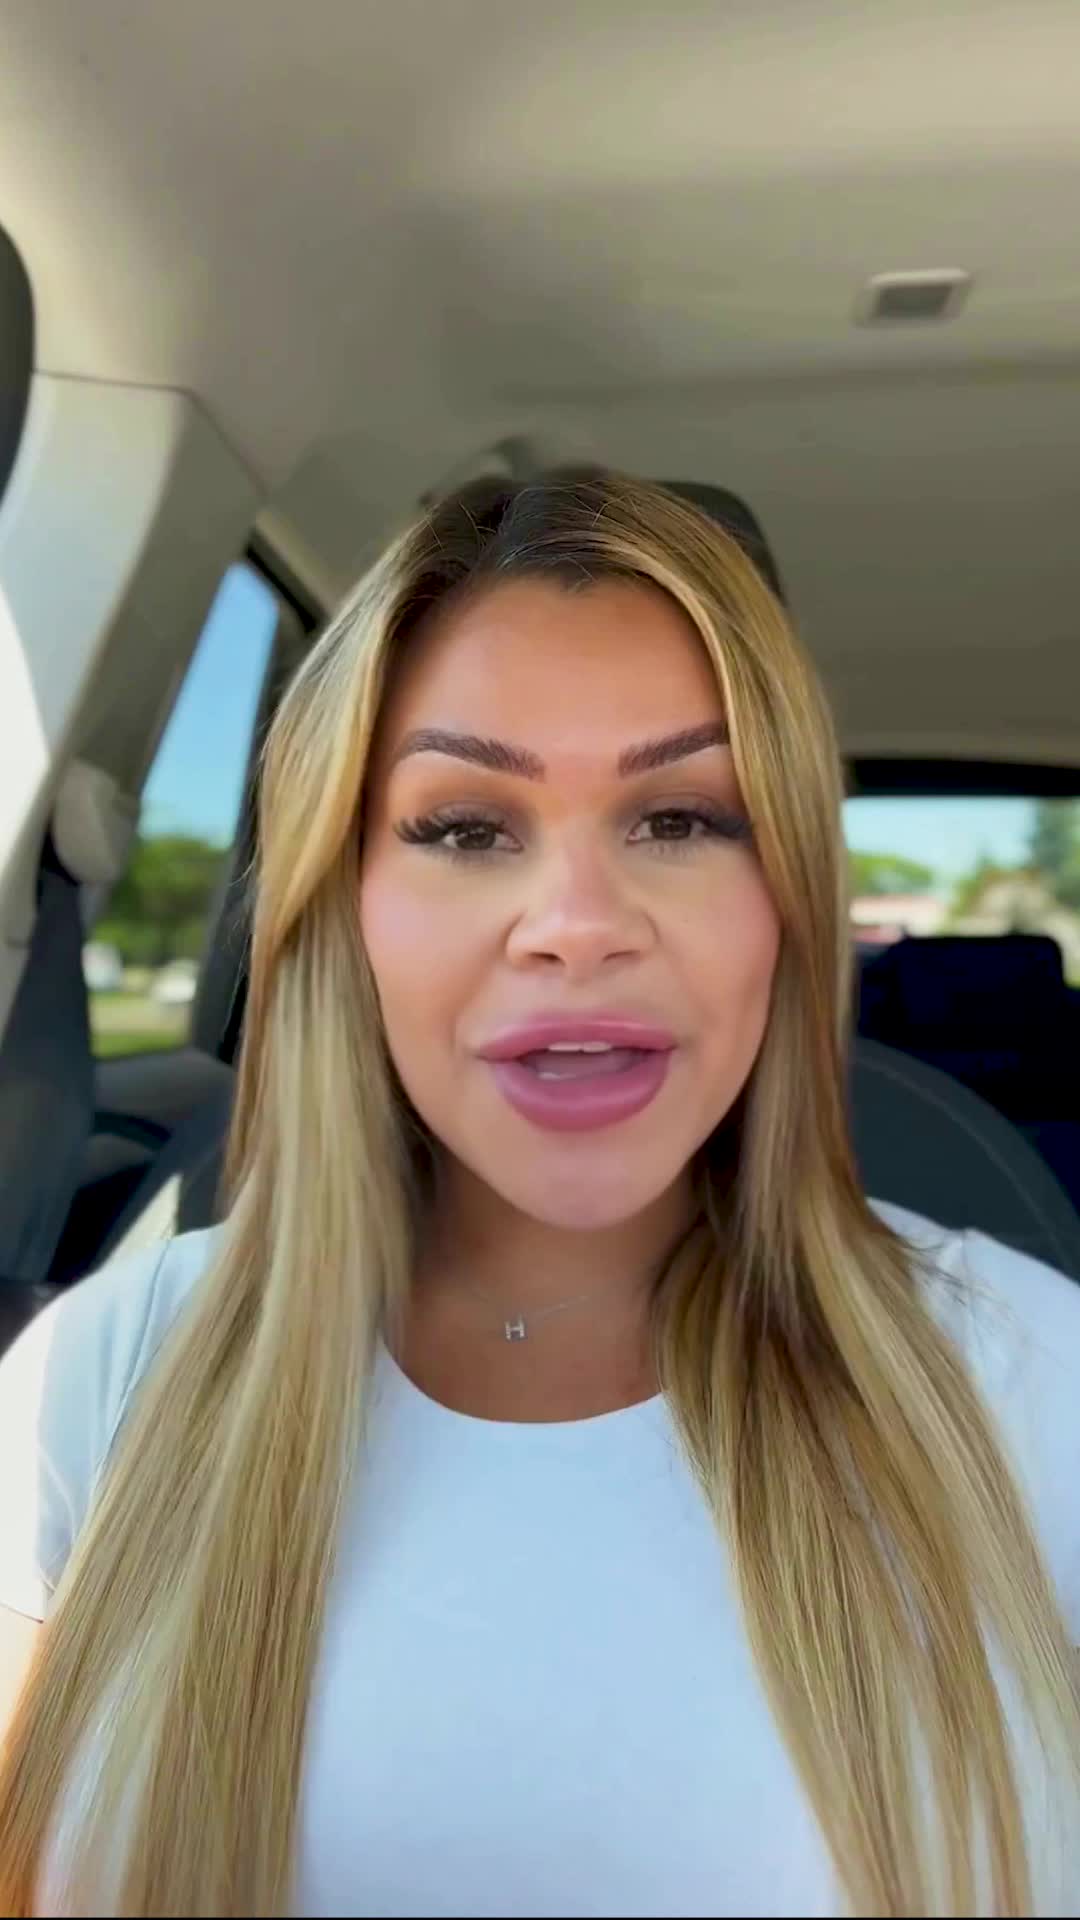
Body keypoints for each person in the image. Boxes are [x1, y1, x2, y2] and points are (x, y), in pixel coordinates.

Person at [0, 471, 1077, 1918]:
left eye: (681, 817)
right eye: (464, 827)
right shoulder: (103, 1373)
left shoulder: (1032, 1381)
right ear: (343, 904)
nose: (576, 927)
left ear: (789, 903)